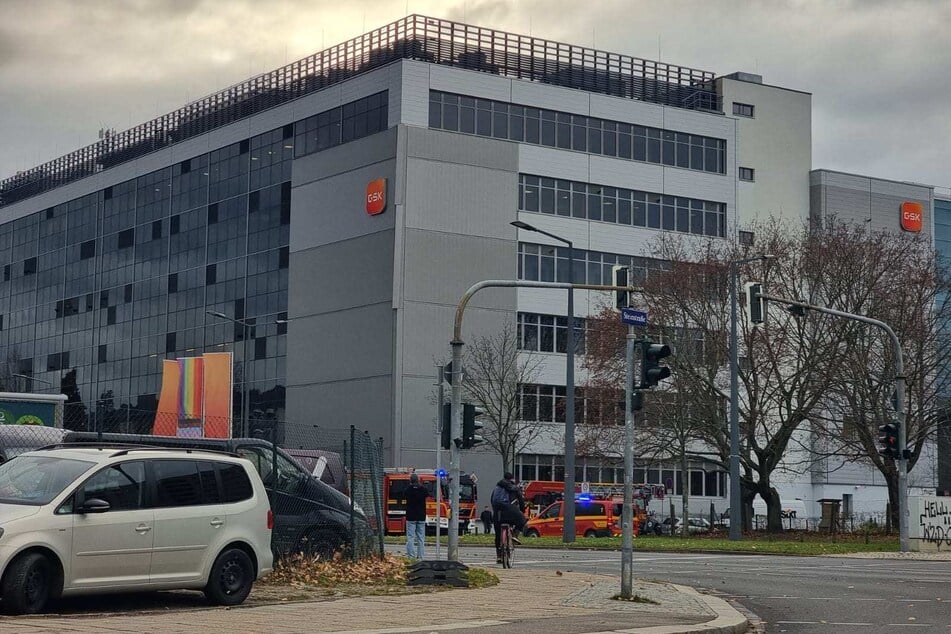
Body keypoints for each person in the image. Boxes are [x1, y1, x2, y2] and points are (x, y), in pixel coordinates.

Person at [491, 472, 527, 563]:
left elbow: (492, 500)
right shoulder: (514, 488)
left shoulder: (497, 487)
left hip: (497, 512)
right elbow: (521, 501)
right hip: (509, 510)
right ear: (512, 479)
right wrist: (522, 511)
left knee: (498, 534)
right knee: (522, 520)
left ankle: (499, 556)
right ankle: (514, 535)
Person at [404, 472, 428, 560]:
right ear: (418, 480)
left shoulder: (408, 489)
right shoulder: (423, 489)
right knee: (421, 537)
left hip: (410, 516)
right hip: (421, 516)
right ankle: (420, 556)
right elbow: (427, 494)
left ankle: (411, 556)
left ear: (410, 480)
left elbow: (404, 495)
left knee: (410, 537)